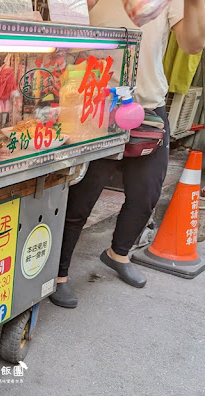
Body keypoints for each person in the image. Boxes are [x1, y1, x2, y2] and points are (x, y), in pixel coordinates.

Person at [50, 0, 205, 308]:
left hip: (147, 106)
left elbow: (192, 44)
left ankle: (117, 254)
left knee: (146, 192)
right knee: (82, 197)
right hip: (95, 107)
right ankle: (58, 274)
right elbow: (64, 24)